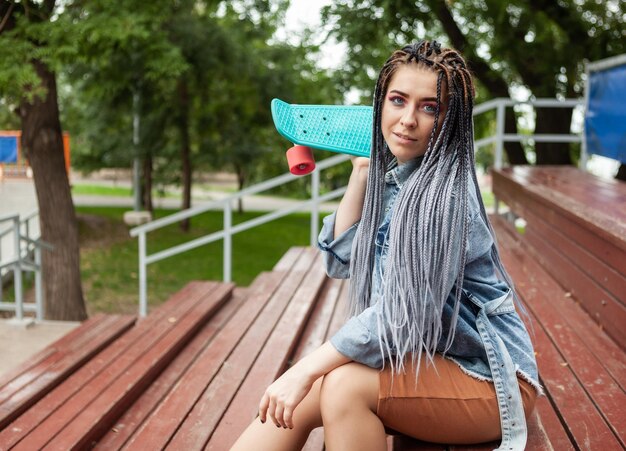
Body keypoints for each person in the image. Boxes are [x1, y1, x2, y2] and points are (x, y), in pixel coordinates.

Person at [231, 40, 541, 451]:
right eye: (398, 100)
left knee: (340, 385)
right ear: (381, 104)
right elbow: (340, 260)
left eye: (430, 107)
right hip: (435, 360)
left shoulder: (443, 198)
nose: (408, 120)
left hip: (491, 382)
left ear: (450, 120)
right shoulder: (399, 178)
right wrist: (362, 174)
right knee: (311, 389)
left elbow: (399, 317)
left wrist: (301, 369)